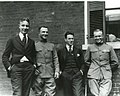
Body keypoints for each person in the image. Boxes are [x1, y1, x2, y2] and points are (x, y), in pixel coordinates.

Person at [2, 17, 36, 96]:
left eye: (27, 26)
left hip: (28, 69)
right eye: (23, 25)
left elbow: (34, 55)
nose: (25, 28)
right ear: (19, 26)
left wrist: (33, 65)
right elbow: (5, 56)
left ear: (29, 27)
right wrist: (9, 67)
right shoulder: (12, 40)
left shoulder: (31, 42)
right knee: (18, 93)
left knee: (26, 93)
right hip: (17, 68)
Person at [85, 29, 119, 96]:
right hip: (93, 75)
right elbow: (86, 61)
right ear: (94, 37)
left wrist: (108, 68)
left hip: (106, 75)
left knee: (103, 94)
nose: (98, 38)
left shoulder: (109, 47)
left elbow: (115, 62)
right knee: (95, 94)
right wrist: (93, 67)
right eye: (96, 36)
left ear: (102, 36)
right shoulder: (90, 48)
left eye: (99, 36)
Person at [32, 26, 60, 96]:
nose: (45, 34)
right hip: (39, 74)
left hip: (50, 73)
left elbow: (55, 58)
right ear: (39, 33)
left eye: (46, 32)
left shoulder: (51, 46)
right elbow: (32, 59)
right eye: (43, 32)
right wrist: (34, 69)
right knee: (38, 93)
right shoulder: (35, 46)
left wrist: (57, 71)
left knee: (51, 93)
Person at [57, 31, 85, 96]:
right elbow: (58, 62)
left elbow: (83, 63)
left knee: (77, 94)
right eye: (69, 39)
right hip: (65, 75)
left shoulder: (78, 50)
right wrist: (61, 72)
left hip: (77, 75)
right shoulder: (61, 51)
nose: (71, 40)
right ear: (65, 40)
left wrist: (81, 71)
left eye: (72, 39)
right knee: (67, 94)